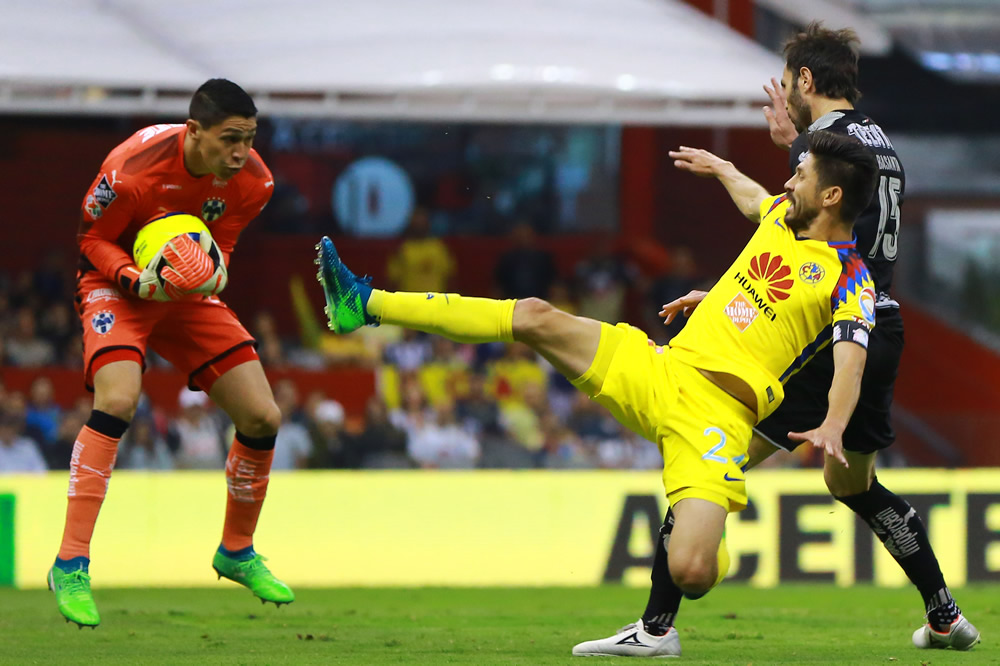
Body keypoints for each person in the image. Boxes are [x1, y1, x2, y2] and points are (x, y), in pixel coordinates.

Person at [319, 130, 879, 657]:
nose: (788, 183)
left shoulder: (852, 276)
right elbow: (754, 197)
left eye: (800, 175)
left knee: (693, 572)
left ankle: (699, 548)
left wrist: (832, 423)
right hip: (658, 369)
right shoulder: (782, 215)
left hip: (715, 419)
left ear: (830, 195)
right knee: (536, 317)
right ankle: (364, 304)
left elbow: (851, 359)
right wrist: (722, 168)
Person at [602, 22, 979, 655]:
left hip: (832, 328)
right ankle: (943, 615)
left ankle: (654, 629)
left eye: (788, 83)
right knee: (852, 486)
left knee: (707, 449)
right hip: (880, 324)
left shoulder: (823, 148)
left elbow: (795, 240)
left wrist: (792, 142)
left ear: (804, 80)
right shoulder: (880, 142)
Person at [50, 78, 294, 629]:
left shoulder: (255, 181)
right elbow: (91, 241)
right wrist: (136, 280)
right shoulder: (131, 169)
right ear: (194, 131)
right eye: (230, 138)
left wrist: (214, 268)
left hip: (185, 291)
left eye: (250, 139)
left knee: (262, 416)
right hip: (119, 286)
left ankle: (236, 550)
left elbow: (222, 239)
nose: (240, 153)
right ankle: (71, 562)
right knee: (117, 401)